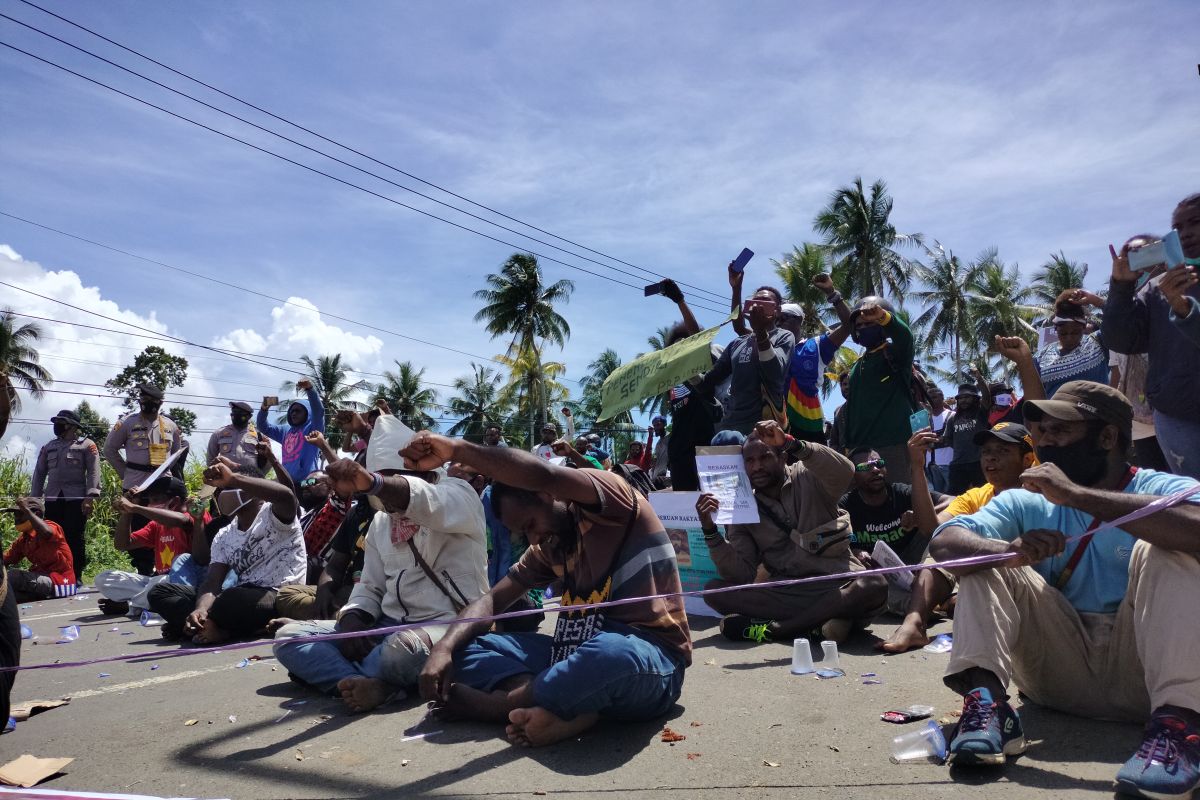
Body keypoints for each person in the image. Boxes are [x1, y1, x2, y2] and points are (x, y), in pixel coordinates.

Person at [927, 380, 1200, 799]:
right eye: (1041, 433)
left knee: (1168, 547)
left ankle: (1180, 731)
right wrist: (1007, 551)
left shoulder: (1161, 487)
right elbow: (944, 543)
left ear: (1107, 437)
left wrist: (1078, 497)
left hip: (1145, 680)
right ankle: (989, 708)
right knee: (984, 562)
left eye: (1060, 432)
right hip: (1056, 678)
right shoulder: (1024, 499)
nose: (1045, 444)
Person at [401, 429, 690, 748]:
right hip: (572, 656)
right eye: (524, 535)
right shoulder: (548, 547)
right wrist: (443, 649)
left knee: (611, 655)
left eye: (530, 526)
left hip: (652, 658)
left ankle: (506, 705)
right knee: (465, 645)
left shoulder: (615, 501)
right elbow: (491, 602)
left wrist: (457, 450)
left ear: (544, 495)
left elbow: (544, 473)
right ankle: (564, 703)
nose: (533, 539)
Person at [272, 415, 489, 713]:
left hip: (447, 624)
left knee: (402, 651)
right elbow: (370, 586)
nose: (379, 494)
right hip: (386, 627)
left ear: (420, 473)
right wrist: (353, 619)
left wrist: (375, 483)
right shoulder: (380, 522)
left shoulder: (458, 494)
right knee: (289, 638)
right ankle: (364, 683)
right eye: (376, 482)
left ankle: (355, 678)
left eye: (387, 481)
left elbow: (425, 501)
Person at [696, 421, 887, 645]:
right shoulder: (743, 507)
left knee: (875, 584)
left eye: (765, 457)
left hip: (838, 584)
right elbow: (741, 576)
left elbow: (845, 472)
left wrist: (792, 443)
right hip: (789, 594)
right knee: (713, 591)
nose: (757, 466)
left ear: (783, 457)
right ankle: (822, 623)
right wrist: (710, 530)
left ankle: (778, 630)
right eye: (750, 461)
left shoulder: (808, 475)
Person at [880, 421, 1038, 653]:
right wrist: (917, 466)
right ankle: (914, 623)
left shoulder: (1040, 487)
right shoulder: (976, 496)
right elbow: (932, 529)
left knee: (963, 596)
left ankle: (953, 604)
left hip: (1030, 583)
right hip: (984, 577)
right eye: (986, 452)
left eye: (1003, 451)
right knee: (941, 550)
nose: (991, 458)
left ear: (1028, 460)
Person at [146, 460, 304, 644]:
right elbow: (212, 582)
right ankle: (208, 624)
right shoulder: (224, 534)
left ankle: (216, 629)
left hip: (277, 595)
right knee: (160, 592)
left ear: (252, 491)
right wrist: (201, 609)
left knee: (230, 599)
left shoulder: (276, 516)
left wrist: (234, 478)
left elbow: (286, 495)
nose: (222, 494)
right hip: (237, 596)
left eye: (228, 488)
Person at [1104, 209, 1200, 479]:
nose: (1187, 232)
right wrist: (1120, 287)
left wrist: (1183, 308)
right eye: (1178, 227)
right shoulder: (1154, 290)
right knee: (1191, 504)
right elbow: (1122, 340)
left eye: (1196, 222)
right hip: (1176, 417)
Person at [95, 477, 208, 616]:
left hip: (184, 582)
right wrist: (127, 513)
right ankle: (148, 602)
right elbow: (122, 544)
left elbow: (180, 520)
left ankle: (131, 605)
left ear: (175, 501)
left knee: (161, 583)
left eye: (155, 500)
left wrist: (135, 508)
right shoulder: (156, 525)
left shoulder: (193, 514)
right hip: (158, 582)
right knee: (104, 578)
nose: (149, 504)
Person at [695, 286, 794, 443]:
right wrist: (687, 373)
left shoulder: (784, 336)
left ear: (777, 310)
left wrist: (760, 332)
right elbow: (707, 382)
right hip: (731, 427)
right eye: (756, 300)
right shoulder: (737, 343)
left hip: (764, 427)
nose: (759, 305)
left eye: (766, 301)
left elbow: (774, 372)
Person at [103, 383, 183, 575]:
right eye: (145, 400)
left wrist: (164, 472)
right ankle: (144, 569)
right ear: (140, 401)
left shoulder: (171, 426)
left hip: (162, 485)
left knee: (165, 527)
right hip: (135, 485)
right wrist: (126, 473)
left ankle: (166, 567)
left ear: (160, 403)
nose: (148, 404)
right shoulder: (127, 423)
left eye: (153, 401)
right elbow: (109, 450)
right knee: (138, 526)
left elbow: (176, 453)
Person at [840, 436, 949, 564]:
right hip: (871, 571)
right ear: (852, 476)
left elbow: (952, 501)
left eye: (879, 464)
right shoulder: (845, 506)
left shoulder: (901, 492)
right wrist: (854, 552)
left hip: (913, 562)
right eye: (865, 467)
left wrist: (920, 516)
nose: (875, 470)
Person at [843, 298, 916, 484]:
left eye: (870, 323)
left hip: (894, 447)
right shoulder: (857, 365)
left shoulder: (895, 354)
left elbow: (905, 337)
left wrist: (885, 317)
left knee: (899, 501)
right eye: (859, 325)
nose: (863, 327)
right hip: (859, 451)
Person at [778, 274, 853, 443]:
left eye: (783, 318)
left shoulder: (816, 346)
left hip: (809, 430)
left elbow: (849, 325)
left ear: (799, 322)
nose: (778, 323)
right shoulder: (768, 346)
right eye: (776, 319)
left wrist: (832, 293)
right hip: (777, 427)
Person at [30, 409, 100, 585]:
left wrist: (90, 496)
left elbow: (93, 471)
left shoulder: (87, 445)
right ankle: (56, 573)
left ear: (73, 426)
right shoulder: (49, 447)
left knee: (74, 537)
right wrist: (35, 500)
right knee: (52, 537)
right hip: (53, 500)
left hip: (76, 499)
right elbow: (39, 473)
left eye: (62, 422)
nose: (57, 426)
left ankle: (75, 575)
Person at [1034, 290, 1110, 400]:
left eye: (1075, 332)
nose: (1069, 338)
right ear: (1055, 328)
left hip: (1096, 416)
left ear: (1084, 327)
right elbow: (1036, 399)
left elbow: (1122, 320)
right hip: (1055, 416)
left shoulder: (1098, 343)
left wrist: (1096, 301)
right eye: (1063, 333)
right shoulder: (1040, 358)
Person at [3, 497, 75, 600]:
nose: (16, 519)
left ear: (36, 515)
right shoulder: (23, 539)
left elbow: (47, 533)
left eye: (21, 514)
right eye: (15, 515)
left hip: (60, 581)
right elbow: (6, 559)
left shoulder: (51, 527)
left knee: (14, 576)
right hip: (41, 581)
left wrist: (26, 509)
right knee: (9, 597)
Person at [257, 379, 325, 483]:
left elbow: (318, 411)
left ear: (308, 413)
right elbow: (263, 427)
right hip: (287, 481)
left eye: (298, 411)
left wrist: (310, 389)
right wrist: (264, 409)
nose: (293, 414)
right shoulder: (285, 430)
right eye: (292, 411)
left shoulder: (313, 428)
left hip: (307, 482)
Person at [939, 374, 992, 495]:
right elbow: (948, 439)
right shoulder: (953, 418)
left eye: (967, 397)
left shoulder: (981, 413)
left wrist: (980, 378)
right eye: (960, 398)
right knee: (954, 497)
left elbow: (987, 396)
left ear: (975, 398)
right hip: (958, 464)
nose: (963, 400)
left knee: (984, 495)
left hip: (979, 462)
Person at [206, 401, 266, 470]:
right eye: (234, 413)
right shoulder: (219, 433)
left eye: (240, 414)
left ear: (249, 416)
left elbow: (267, 460)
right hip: (226, 478)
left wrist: (259, 476)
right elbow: (210, 459)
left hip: (251, 478)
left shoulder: (258, 434)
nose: (236, 416)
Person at [926, 388, 954, 493]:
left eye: (934, 397)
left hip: (949, 463)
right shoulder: (925, 418)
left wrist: (940, 440)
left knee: (953, 497)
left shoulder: (952, 415)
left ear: (942, 397)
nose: (931, 400)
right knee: (937, 499)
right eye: (929, 398)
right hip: (930, 465)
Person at [827, 372, 851, 454]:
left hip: (864, 458)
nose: (847, 387)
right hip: (844, 460)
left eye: (850, 384)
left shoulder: (864, 407)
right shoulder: (838, 411)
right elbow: (834, 441)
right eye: (844, 384)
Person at [649, 415, 670, 485]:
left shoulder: (670, 438)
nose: (655, 428)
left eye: (658, 425)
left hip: (666, 476)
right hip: (657, 477)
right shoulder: (658, 443)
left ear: (664, 424)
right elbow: (655, 458)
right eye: (654, 426)